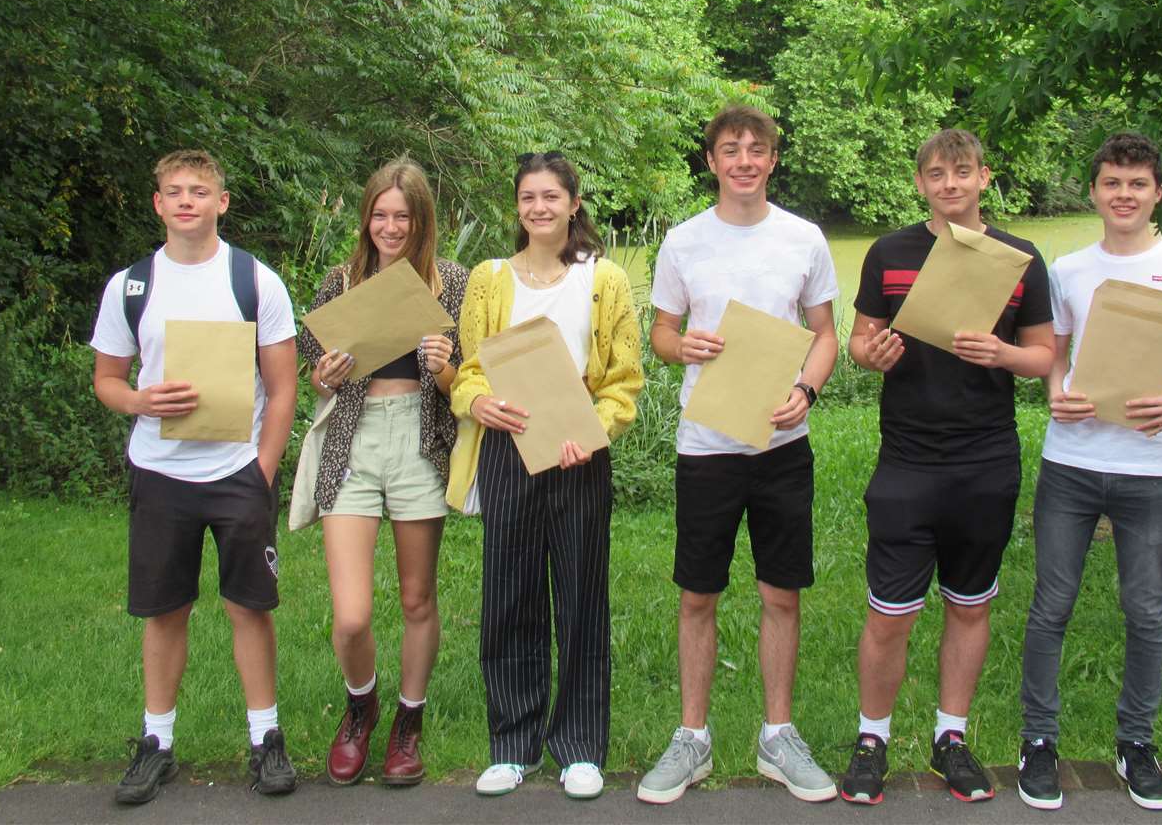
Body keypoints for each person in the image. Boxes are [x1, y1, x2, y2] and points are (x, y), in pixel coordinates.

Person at [1016, 133, 1162, 813]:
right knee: (1051, 606)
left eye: (1137, 184)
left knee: (1146, 611)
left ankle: (1136, 743)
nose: (1124, 195)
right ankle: (1039, 743)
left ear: (1158, 192)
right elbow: (1053, 351)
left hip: (1150, 469)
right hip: (1072, 461)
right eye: (1112, 183)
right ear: (1095, 192)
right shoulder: (1069, 268)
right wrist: (1054, 389)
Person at [637, 105, 840, 806]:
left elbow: (825, 335)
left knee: (781, 592)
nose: (744, 161)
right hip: (709, 444)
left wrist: (807, 390)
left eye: (757, 149)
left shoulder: (804, 238)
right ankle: (691, 739)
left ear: (773, 160)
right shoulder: (684, 241)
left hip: (783, 444)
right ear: (712, 160)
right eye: (731, 149)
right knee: (699, 593)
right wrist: (680, 345)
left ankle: (777, 736)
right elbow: (662, 332)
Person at [844, 128, 1052, 806]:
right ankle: (871, 739)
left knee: (969, 605)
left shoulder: (1018, 258)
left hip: (986, 458)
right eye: (936, 173)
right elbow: (858, 340)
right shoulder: (890, 252)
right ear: (920, 182)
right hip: (907, 457)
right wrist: (869, 355)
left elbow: (1044, 356)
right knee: (890, 614)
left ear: (984, 178)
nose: (949, 184)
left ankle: (950, 738)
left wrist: (1001, 354)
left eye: (962, 172)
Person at [90, 149, 298, 804]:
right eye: (175, 191)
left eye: (200, 191)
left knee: (249, 608)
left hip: (237, 471)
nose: (187, 201)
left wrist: (263, 470)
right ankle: (157, 743)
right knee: (164, 611)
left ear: (221, 202)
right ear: (157, 203)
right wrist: (140, 402)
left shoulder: (254, 281)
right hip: (160, 473)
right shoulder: (131, 286)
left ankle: (266, 739)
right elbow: (107, 380)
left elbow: (284, 386)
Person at [448, 152, 643, 801]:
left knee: (582, 596)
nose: (539, 208)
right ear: (518, 208)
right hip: (509, 451)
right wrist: (477, 402)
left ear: (573, 203)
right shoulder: (489, 278)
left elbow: (624, 382)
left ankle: (581, 747)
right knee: (510, 595)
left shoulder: (605, 279)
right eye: (528, 197)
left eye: (551, 197)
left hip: (579, 454)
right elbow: (471, 366)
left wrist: (594, 432)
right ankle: (512, 744)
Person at [297, 159, 468, 787]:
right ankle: (360, 705)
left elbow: (466, 386)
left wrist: (446, 365)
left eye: (402, 216)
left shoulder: (452, 283)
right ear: (366, 216)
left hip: (421, 442)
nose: (389, 227)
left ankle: (408, 723)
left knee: (418, 597)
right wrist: (327, 375)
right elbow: (316, 373)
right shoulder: (339, 283)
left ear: (421, 220)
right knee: (352, 616)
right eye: (380, 214)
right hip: (355, 440)